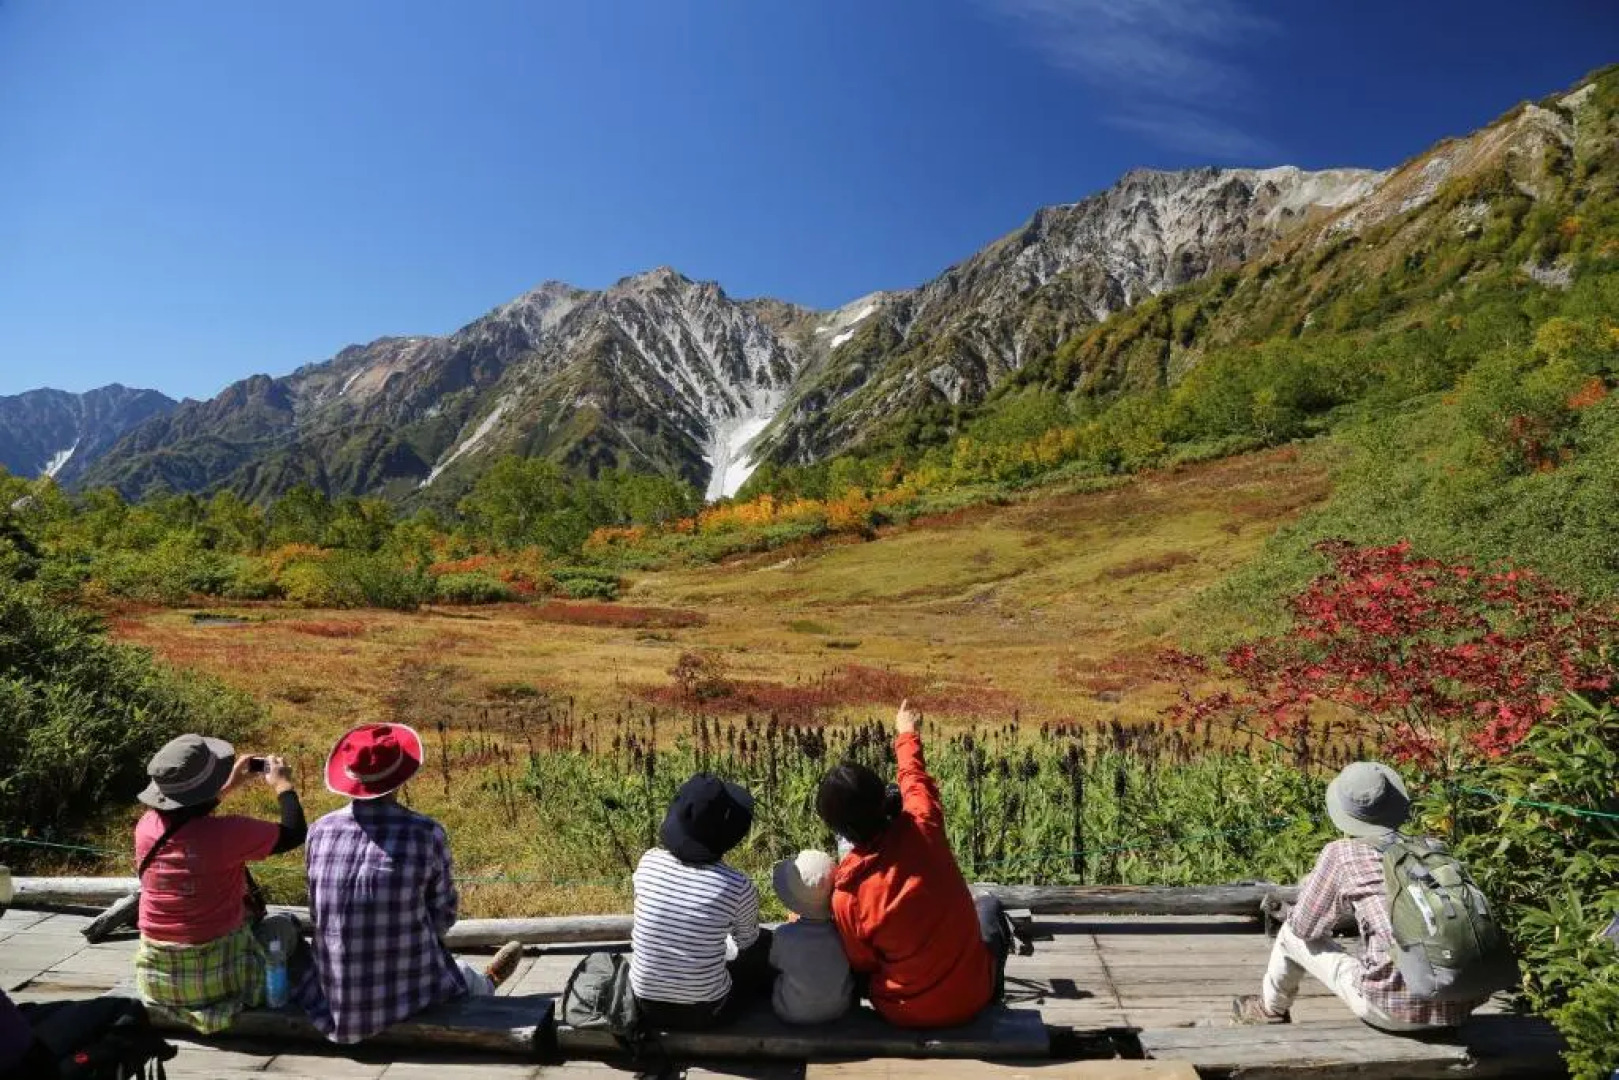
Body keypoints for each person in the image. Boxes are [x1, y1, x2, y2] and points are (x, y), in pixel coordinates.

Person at [294, 723, 523, 1044]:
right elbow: (442, 916)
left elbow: (317, 907)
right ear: (401, 776)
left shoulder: (319, 830)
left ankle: (471, 977)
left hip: (329, 998)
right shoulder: (426, 832)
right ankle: (488, 981)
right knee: (459, 976)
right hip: (405, 993)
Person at [1233, 761, 1492, 1030]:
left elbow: (1303, 928)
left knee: (1289, 934)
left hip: (1392, 1009)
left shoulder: (1342, 853)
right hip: (1461, 1004)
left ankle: (1269, 1010)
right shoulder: (1434, 849)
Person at [815, 700, 1006, 1029]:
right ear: (884, 800)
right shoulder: (923, 823)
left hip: (901, 1012)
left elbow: (863, 962)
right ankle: (993, 995)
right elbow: (914, 778)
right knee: (988, 907)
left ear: (841, 831)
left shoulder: (847, 895)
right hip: (972, 997)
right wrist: (907, 732)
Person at [132, 734, 306, 1034]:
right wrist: (283, 786)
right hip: (217, 982)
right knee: (287, 926)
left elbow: (186, 814)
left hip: (158, 981)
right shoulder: (229, 834)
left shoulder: (146, 826)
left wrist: (229, 786)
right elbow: (294, 832)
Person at [629, 773, 771, 1030]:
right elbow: (748, 943)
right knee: (762, 950)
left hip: (644, 1003)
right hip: (706, 1012)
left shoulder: (648, 861)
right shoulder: (738, 886)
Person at [768, 849, 854, 1025]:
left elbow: (774, 962)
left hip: (791, 1012)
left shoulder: (784, 935)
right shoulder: (844, 932)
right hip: (840, 1008)